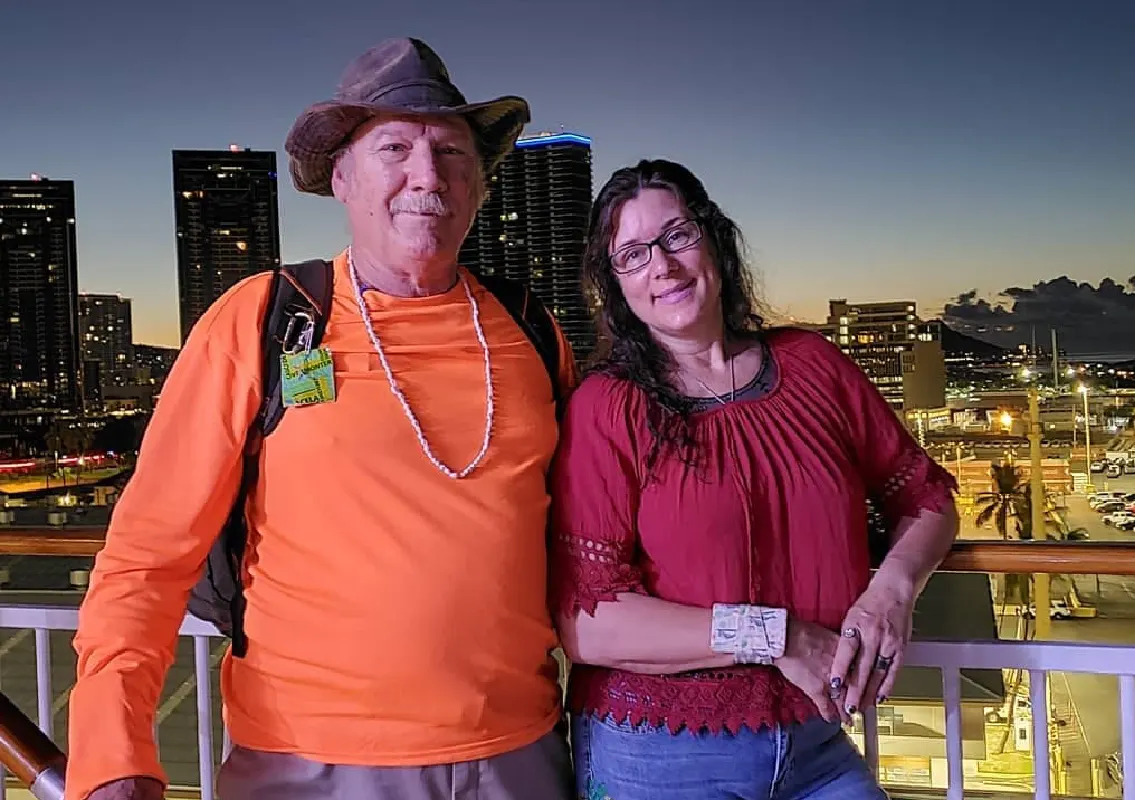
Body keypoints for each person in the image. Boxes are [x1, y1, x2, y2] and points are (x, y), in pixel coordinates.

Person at [67, 38, 576, 800]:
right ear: (341, 176)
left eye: (452, 152)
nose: (426, 176)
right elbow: (147, 555)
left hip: (521, 755)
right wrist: (112, 757)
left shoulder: (533, 329)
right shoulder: (263, 321)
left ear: (480, 182)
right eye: (394, 147)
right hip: (306, 765)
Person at [549, 159, 960, 800]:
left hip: (817, 743)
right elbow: (588, 621)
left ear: (714, 239)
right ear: (615, 286)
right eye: (631, 255)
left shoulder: (813, 366)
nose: (662, 265)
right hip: (658, 750)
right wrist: (776, 635)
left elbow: (924, 494)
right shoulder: (608, 407)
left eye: (677, 235)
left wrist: (892, 592)